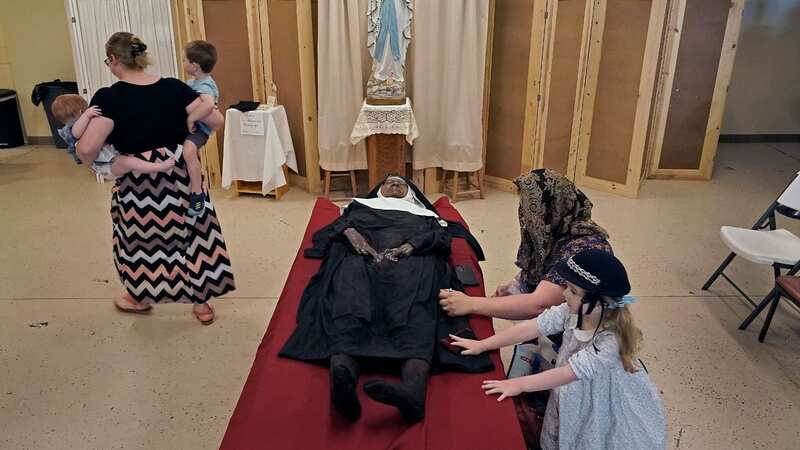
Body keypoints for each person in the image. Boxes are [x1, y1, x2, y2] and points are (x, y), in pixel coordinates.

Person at [279, 176, 492, 424]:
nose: (394, 185)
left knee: (417, 298)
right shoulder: (360, 206)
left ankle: (413, 393)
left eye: (401, 184)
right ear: (378, 190)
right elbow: (340, 226)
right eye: (389, 182)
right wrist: (356, 238)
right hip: (361, 255)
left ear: (410, 193)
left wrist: (409, 246)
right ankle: (344, 372)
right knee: (350, 291)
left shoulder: (423, 214)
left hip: (412, 258)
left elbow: (441, 240)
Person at [76, 32, 235, 324]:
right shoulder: (175, 88)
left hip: (139, 182)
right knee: (194, 236)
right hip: (180, 174)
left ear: (113, 60)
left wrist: (99, 162)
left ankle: (138, 297)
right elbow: (214, 120)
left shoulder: (109, 98)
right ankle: (202, 305)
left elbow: (87, 149)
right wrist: (189, 132)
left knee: (141, 242)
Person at [450, 250, 666, 449]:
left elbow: (566, 374)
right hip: (570, 387)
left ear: (597, 303)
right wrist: (483, 344)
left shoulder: (609, 343)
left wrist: (517, 384)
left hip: (598, 396)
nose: (564, 295)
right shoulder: (571, 311)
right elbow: (530, 327)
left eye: (572, 291)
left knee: (593, 435)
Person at [439, 169, 612, 320]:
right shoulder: (558, 229)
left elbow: (539, 304)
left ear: (551, 208)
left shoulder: (585, 250)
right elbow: (541, 270)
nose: (525, 216)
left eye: (531, 210)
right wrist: (516, 284)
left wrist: (471, 304)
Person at [52, 94, 175, 182]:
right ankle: (159, 167)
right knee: (130, 162)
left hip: (108, 161)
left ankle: (120, 182)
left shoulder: (81, 124)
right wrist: (87, 115)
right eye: (85, 110)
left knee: (129, 163)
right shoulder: (71, 128)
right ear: (79, 112)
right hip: (105, 165)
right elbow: (76, 133)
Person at [181, 40, 219, 216]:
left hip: (201, 129)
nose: (183, 63)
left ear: (194, 66)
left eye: (184, 60)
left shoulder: (204, 85)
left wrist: (191, 118)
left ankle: (197, 192)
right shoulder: (194, 82)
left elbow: (209, 105)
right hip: (195, 127)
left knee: (188, 151)